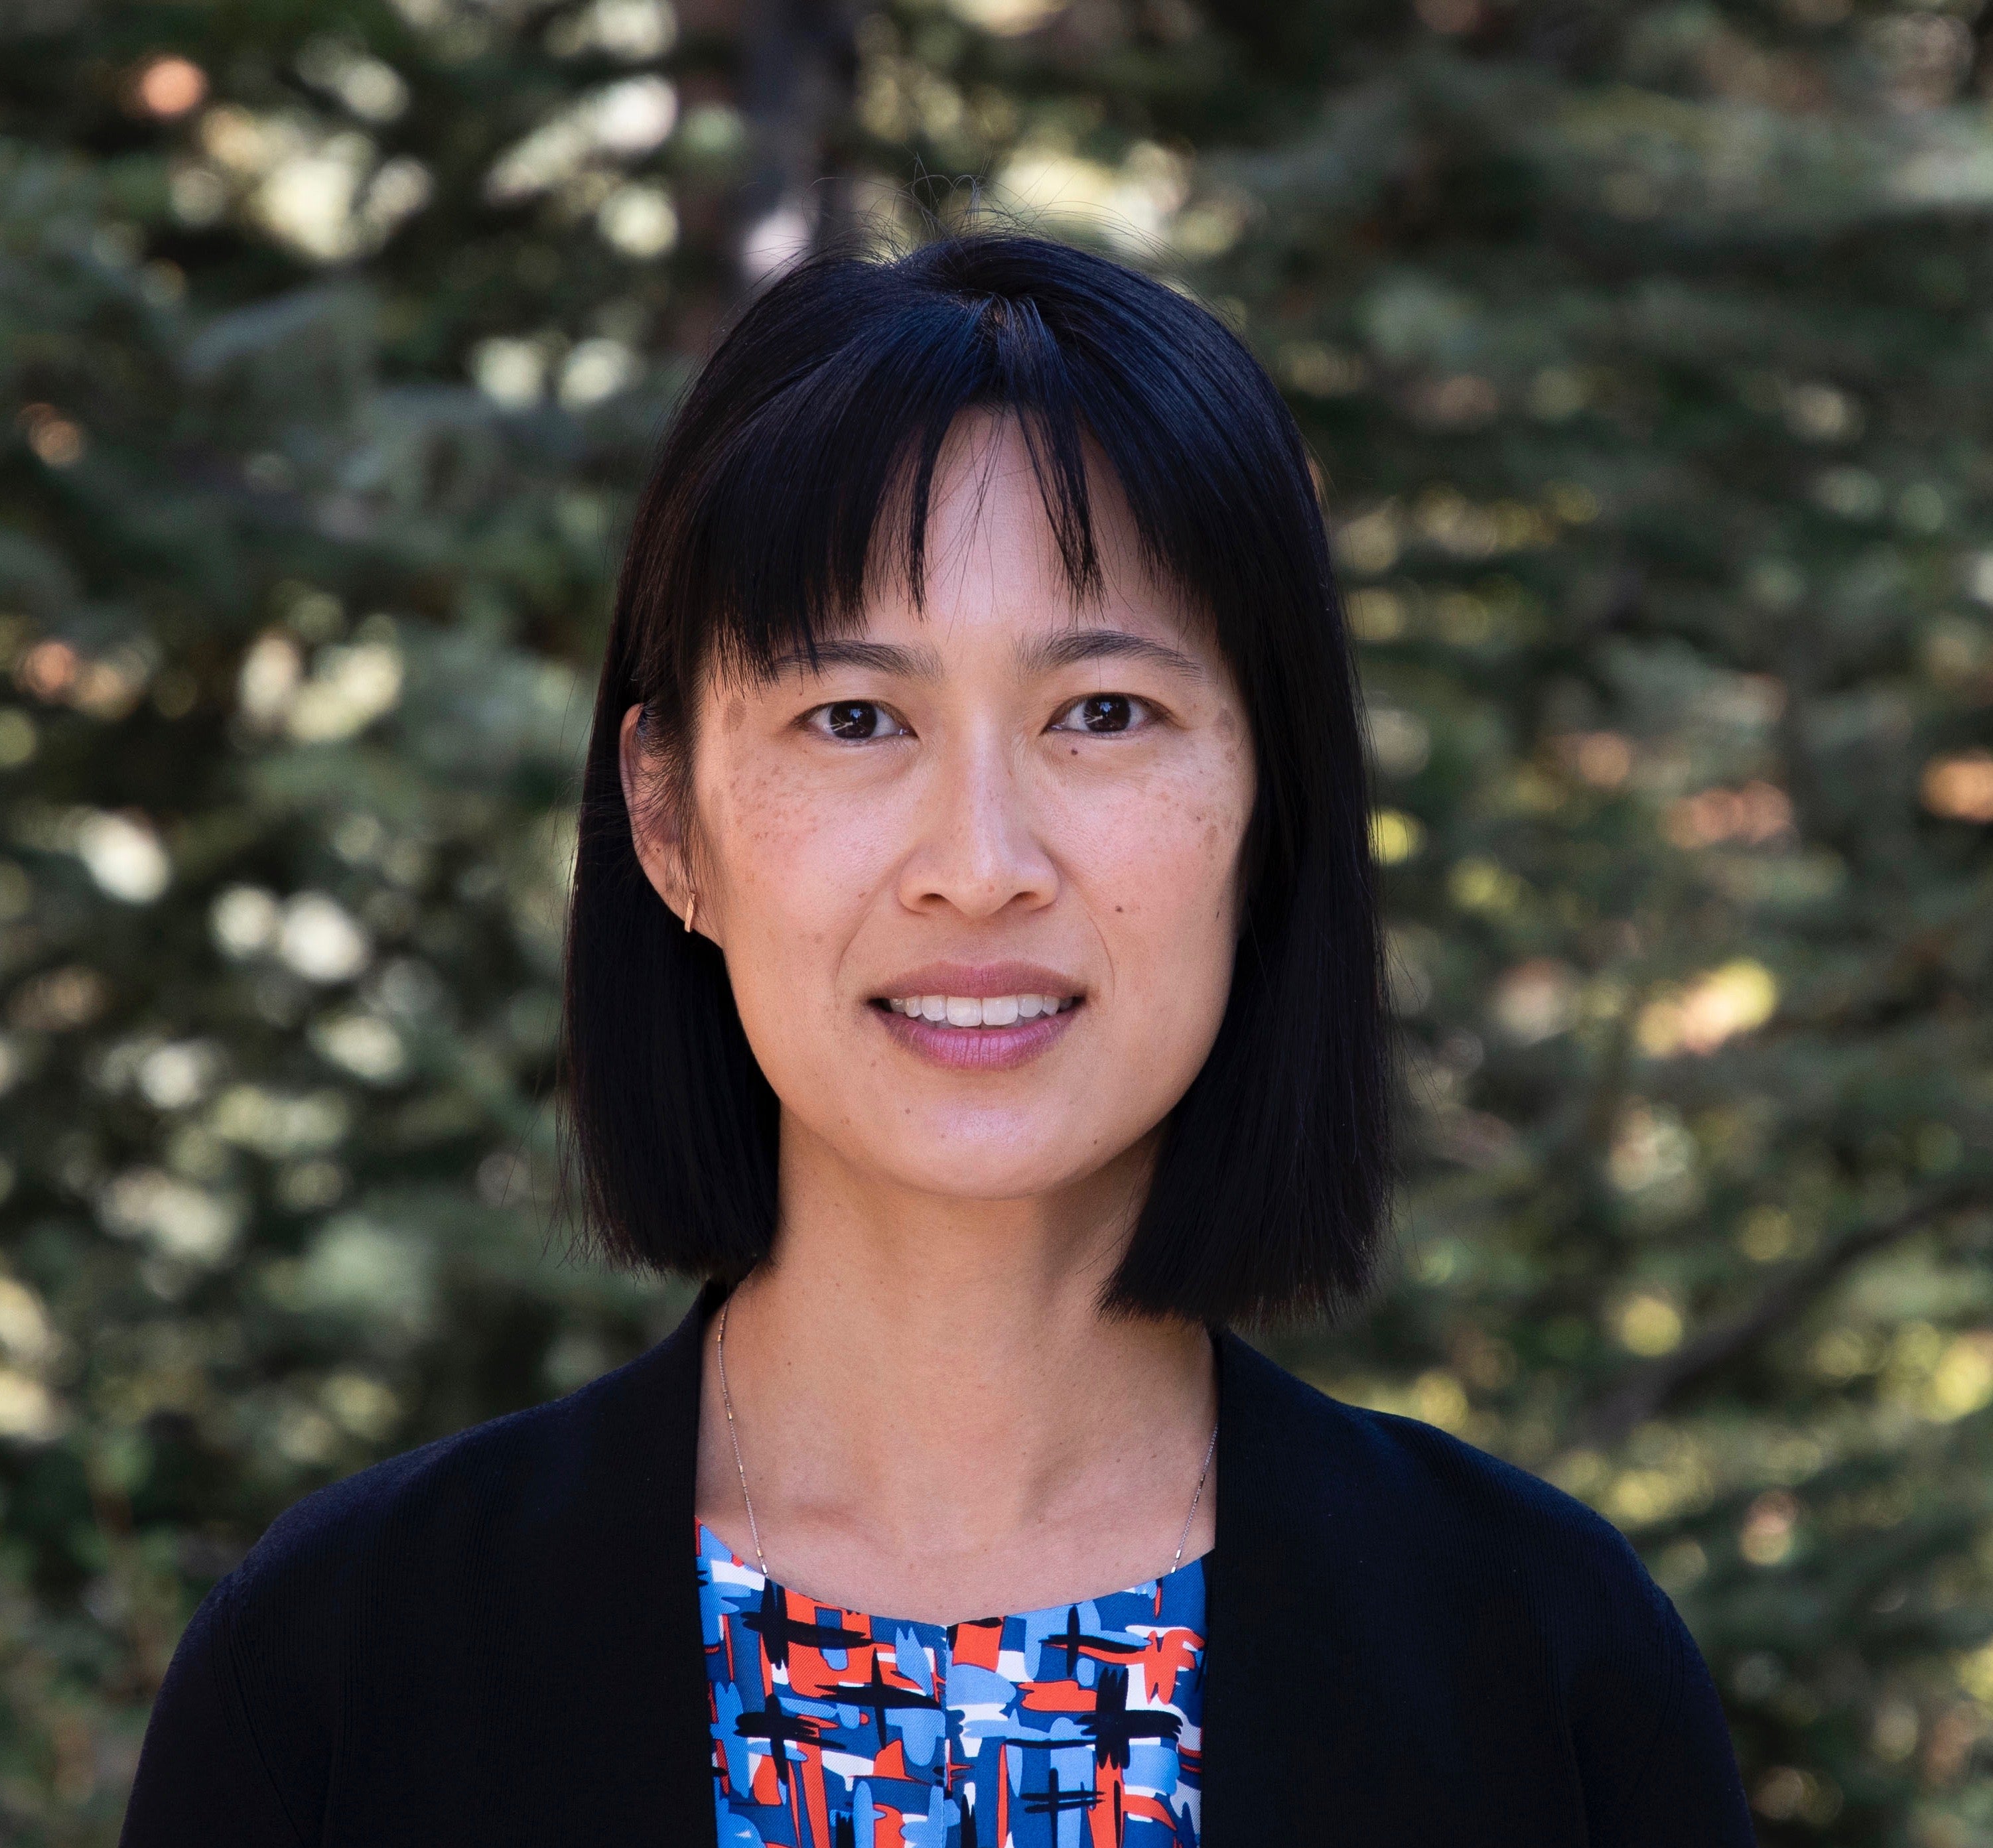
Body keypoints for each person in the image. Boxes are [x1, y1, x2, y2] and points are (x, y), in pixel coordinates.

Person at [119, 227, 1754, 1847]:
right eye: (853, 718)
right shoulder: (336, 1674)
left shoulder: (1544, 1662)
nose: (979, 865)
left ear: (1272, 809)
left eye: (1101, 714)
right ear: (666, 817)